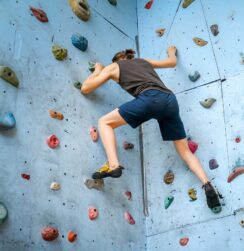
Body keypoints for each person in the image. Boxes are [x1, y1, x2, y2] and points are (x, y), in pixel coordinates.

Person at [81, 46, 222, 213]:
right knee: (184, 151)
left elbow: (86, 88)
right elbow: (171, 62)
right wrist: (171, 52)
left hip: (149, 98)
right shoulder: (143, 61)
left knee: (104, 122)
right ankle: (207, 183)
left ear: (117, 61)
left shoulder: (113, 67)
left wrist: (97, 70)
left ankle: (113, 165)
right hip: (169, 100)